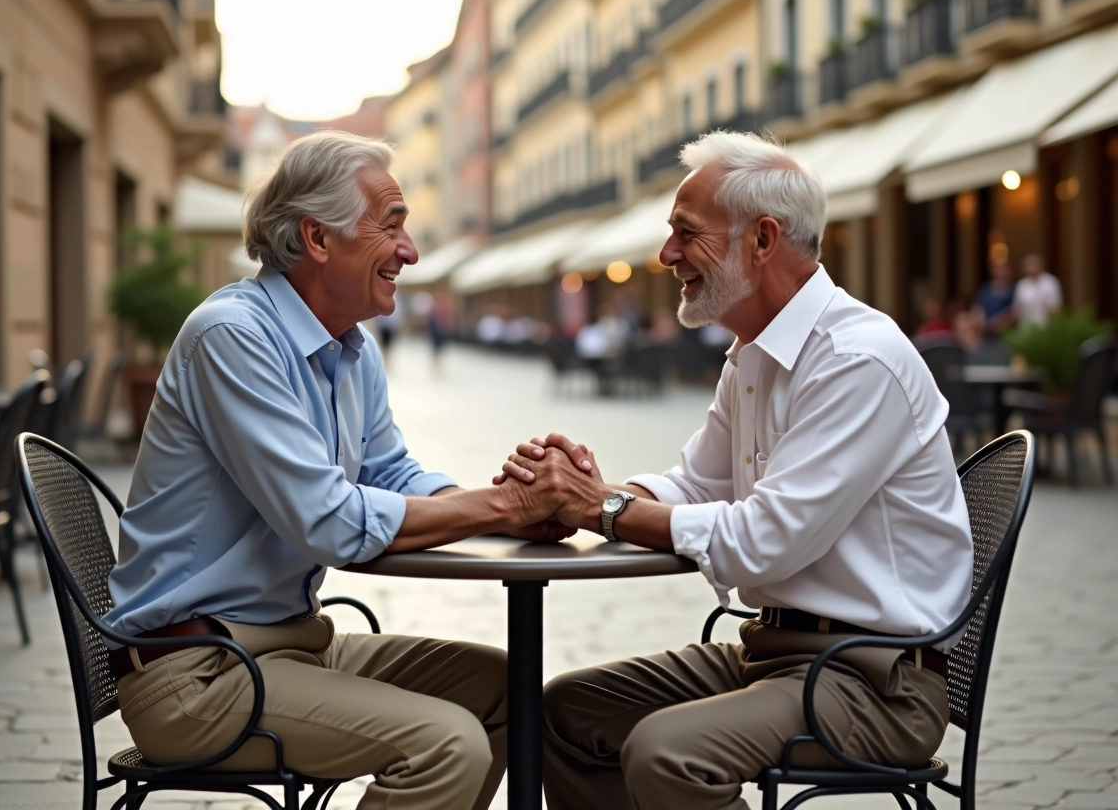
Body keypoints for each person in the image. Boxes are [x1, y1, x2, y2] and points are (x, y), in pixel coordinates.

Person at [494, 131, 973, 810]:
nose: (667, 255)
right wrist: (588, 492)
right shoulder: (753, 353)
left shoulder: (855, 358)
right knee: (567, 712)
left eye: (686, 234)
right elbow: (694, 484)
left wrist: (599, 509)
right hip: (774, 652)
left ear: (762, 239)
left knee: (668, 753)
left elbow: (763, 539)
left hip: (873, 682)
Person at [103, 131, 582, 810]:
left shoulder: (351, 348)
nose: (410, 251)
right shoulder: (232, 336)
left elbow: (390, 473)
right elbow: (326, 520)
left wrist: (508, 503)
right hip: (197, 675)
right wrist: (503, 511)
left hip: (289, 647)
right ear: (317, 239)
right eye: (391, 227)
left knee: (508, 690)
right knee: (448, 743)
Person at [1014, 252, 1062, 327]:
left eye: (1033, 265)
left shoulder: (1050, 282)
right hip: (1026, 327)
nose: (1031, 268)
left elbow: (1055, 308)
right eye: (1028, 266)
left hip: (1045, 327)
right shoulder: (1022, 284)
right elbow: (1017, 308)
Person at [974, 257, 1017, 335]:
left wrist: (998, 323)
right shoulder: (985, 289)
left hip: (1007, 332)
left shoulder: (1015, 289)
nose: (1001, 272)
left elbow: (1015, 311)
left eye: (1004, 269)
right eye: (998, 269)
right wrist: (981, 321)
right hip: (985, 331)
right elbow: (978, 307)